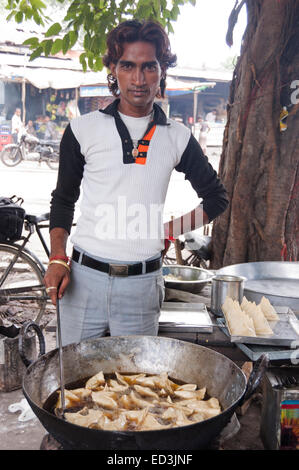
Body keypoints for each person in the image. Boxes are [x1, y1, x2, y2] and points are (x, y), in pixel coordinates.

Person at [44, 19, 229, 346]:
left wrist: (167, 230)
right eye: (128, 66)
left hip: (142, 285)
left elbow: (216, 198)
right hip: (83, 280)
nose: (139, 79)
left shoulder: (177, 137)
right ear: (114, 70)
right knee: (71, 385)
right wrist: (58, 257)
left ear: (162, 72)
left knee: (132, 386)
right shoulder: (82, 130)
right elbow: (63, 201)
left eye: (149, 67)